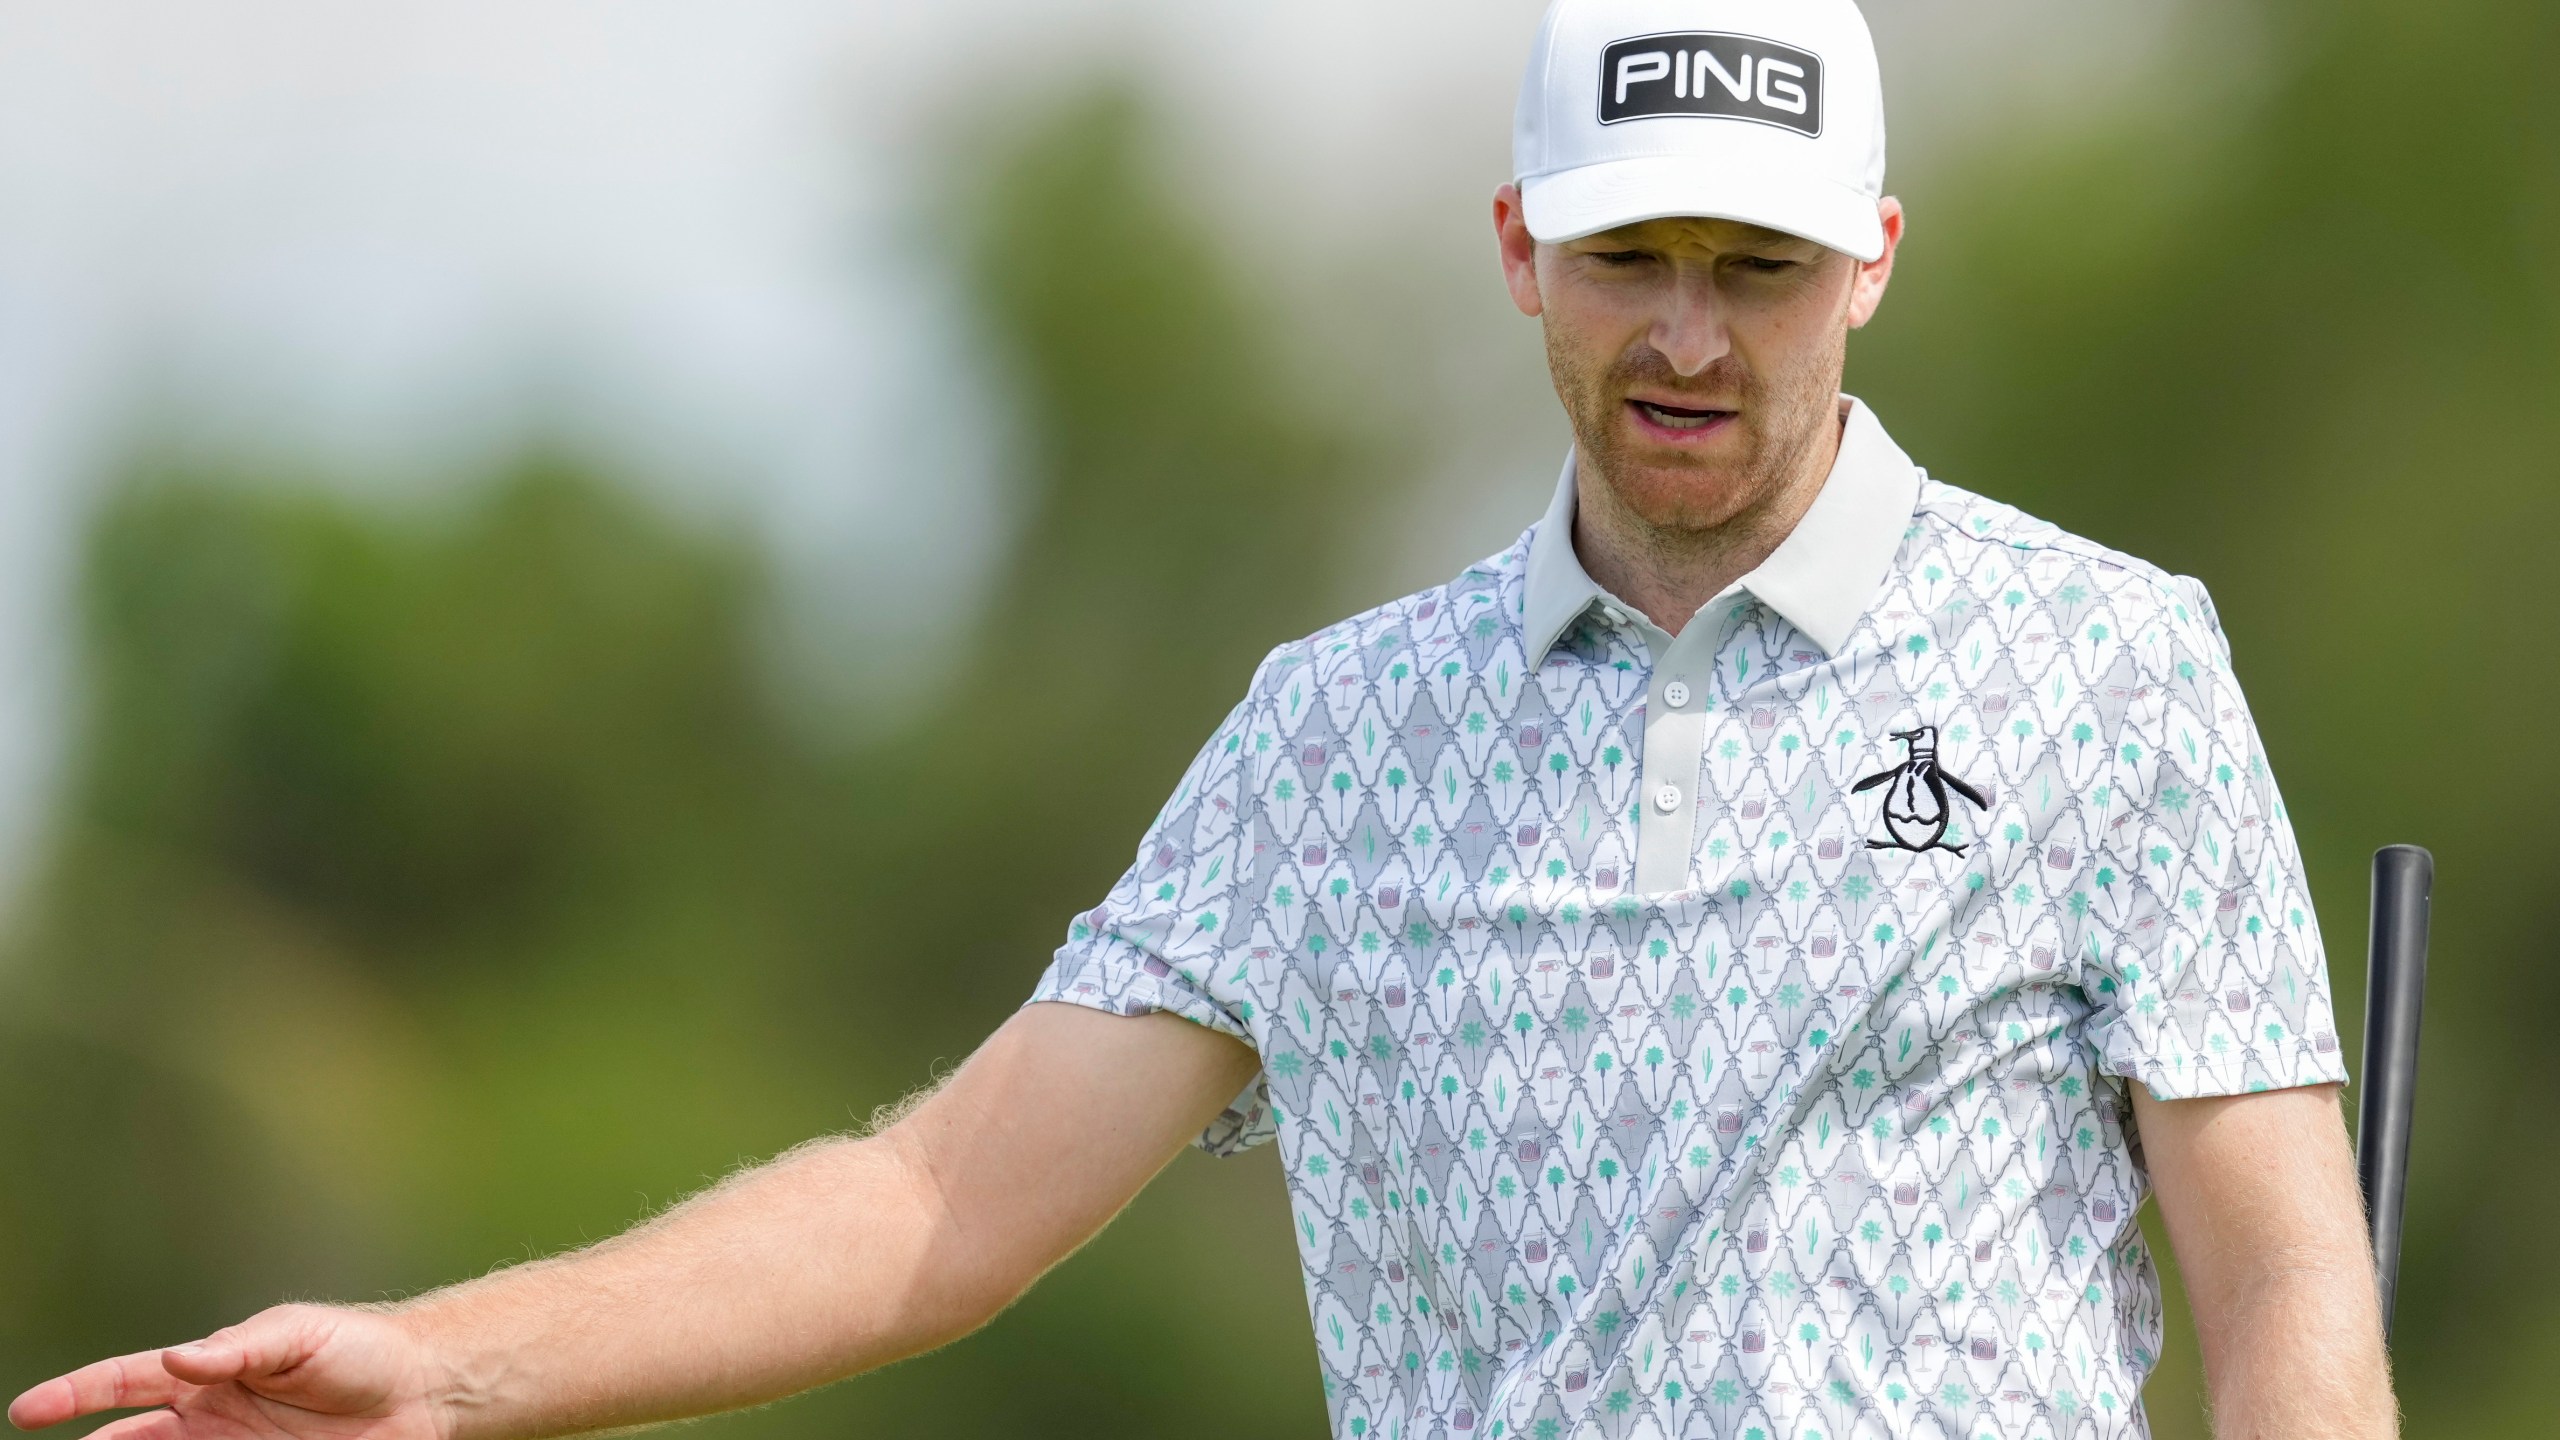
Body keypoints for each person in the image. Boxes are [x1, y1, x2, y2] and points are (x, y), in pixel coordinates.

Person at [10, 1, 2398, 1437]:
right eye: (1627, 259)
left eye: (1755, 267)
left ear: (1868, 259)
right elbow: (940, 1201)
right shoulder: (1335, 740)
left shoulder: (2105, 668)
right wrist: (448, 1367)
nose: (1686, 334)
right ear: (1514, 249)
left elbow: (2283, 1286)